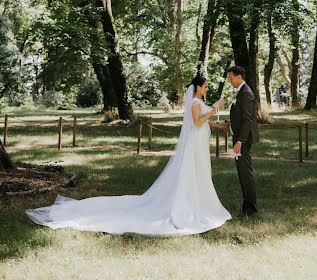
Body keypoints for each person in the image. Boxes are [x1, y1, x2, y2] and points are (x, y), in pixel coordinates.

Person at [26, 72, 231, 236]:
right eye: (205, 86)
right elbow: (196, 122)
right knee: (191, 173)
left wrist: (215, 123)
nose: (207, 89)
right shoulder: (194, 103)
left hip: (198, 143)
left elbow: (201, 121)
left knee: (200, 173)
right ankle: (186, 204)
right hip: (193, 145)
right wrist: (214, 110)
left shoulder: (198, 103)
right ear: (197, 87)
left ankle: (200, 200)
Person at [227, 65, 259, 216]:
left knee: (245, 172)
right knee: (242, 171)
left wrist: (240, 141)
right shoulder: (240, 92)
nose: (230, 81)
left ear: (239, 77)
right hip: (239, 136)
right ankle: (246, 203)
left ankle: (251, 207)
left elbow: (248, 120)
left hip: (243, 139)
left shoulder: (246, 93)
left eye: (231, 78)